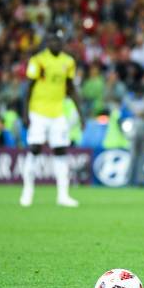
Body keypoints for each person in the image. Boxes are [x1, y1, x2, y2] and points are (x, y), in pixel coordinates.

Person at [20, 29, 84, 207]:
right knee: (35, 148)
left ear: (62, 43)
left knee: (61, 150)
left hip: (58, 112)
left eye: (58, 41)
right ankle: (28, 192)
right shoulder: (38, 61)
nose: (55, 44)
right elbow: (29, 88)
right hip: (38, 112)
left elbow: (71, 89)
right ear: (47, 43)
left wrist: (81, 115)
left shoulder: (68, 62)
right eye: (52, 41)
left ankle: (63, 195)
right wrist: (25, 113)